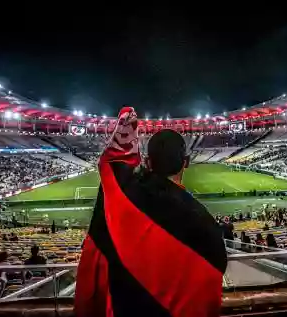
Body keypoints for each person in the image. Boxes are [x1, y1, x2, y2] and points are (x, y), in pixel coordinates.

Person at [76, 107, 227, 317]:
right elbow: (210, 283)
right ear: (187, 163)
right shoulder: (206, 223)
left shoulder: (125, 200)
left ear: (147, 162)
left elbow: (113, 169)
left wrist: (127, 126)